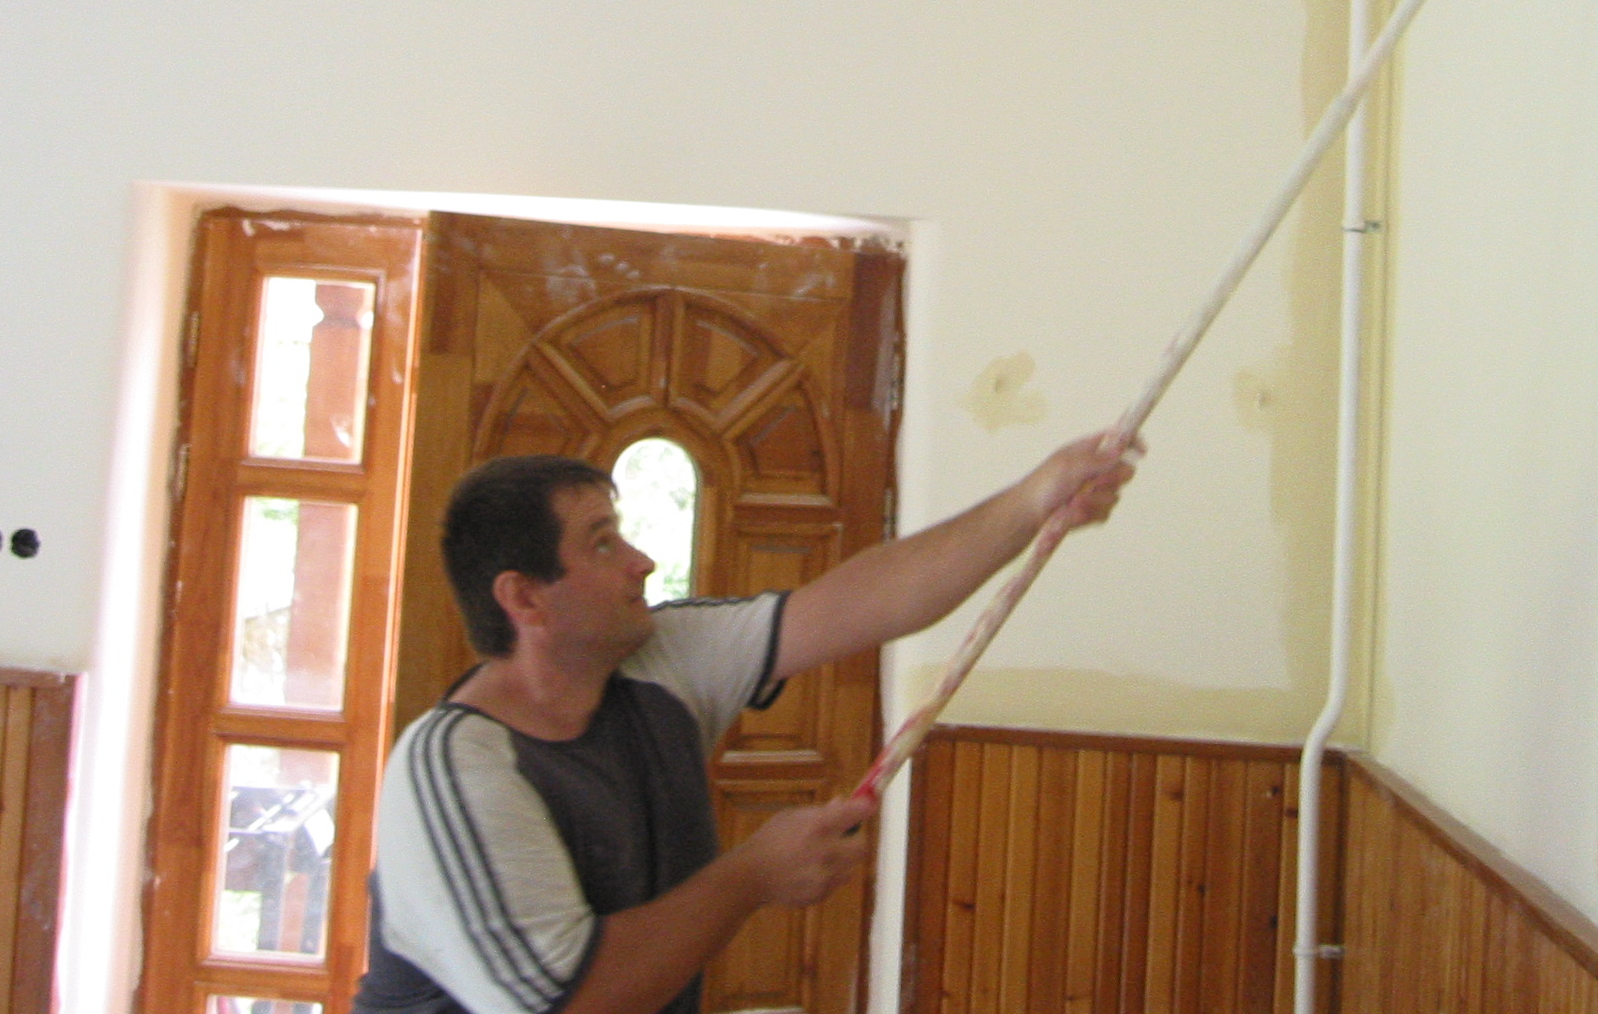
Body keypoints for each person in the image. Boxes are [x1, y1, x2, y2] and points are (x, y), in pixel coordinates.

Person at [352, 431, 1135, 1014]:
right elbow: (574, 1002)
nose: (640, 562)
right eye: (602, 543)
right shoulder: (453, 769)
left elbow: (862, 602)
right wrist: (753, 874)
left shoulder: (660, 656)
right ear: (524, 598)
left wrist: (1031, 501)